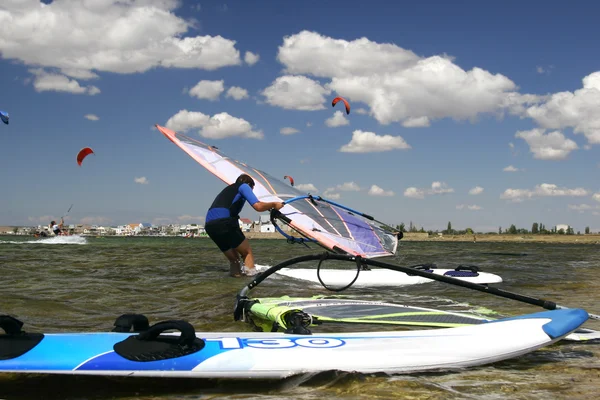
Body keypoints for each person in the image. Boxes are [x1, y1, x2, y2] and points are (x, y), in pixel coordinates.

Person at [204, 174, 284, 277]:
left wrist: (268, 206)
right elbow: (258, 206)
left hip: (210, 226)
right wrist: (274, 204)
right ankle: (250, 281)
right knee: (247, 253)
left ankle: (235, 281)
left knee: (234, 260)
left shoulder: (229, 189)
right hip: (225, 222)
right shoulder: (244, 186)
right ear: (249, 184)